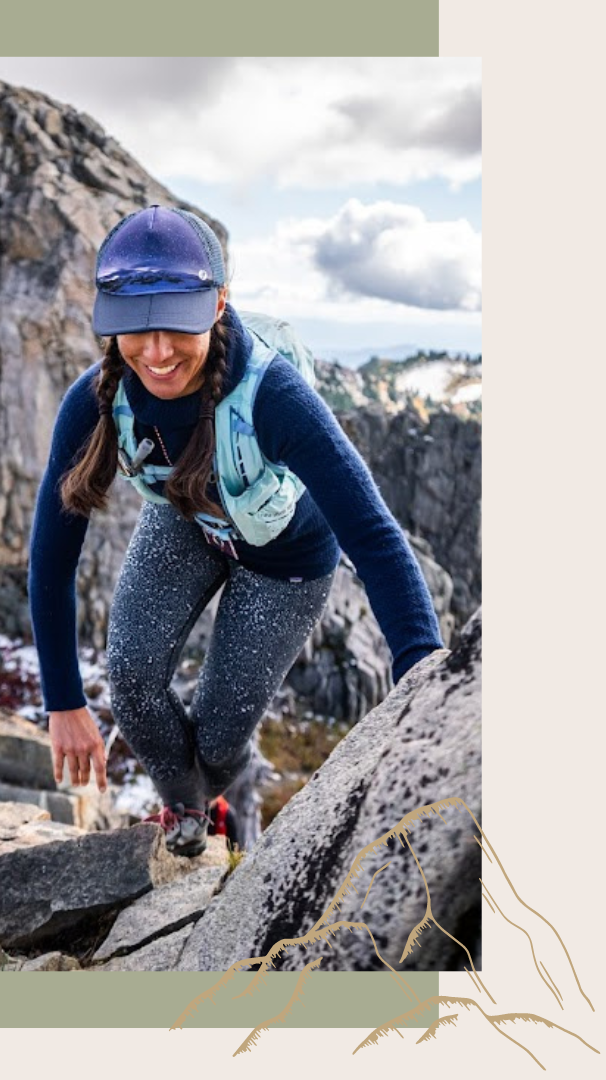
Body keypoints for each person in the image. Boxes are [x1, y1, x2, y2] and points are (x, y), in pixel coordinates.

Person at [28, 204, 443, 857]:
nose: (158, 352)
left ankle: (218, 784)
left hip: (288, 560)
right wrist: (63, 700)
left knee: (221, 740)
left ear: (219, 304)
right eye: (136, 329)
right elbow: (52, 556)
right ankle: (189, 811)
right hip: (189, 520)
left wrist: (424, 678)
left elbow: (373, 534)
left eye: (178, 325)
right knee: (131, 681)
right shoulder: (97, 401)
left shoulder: (273, 397)